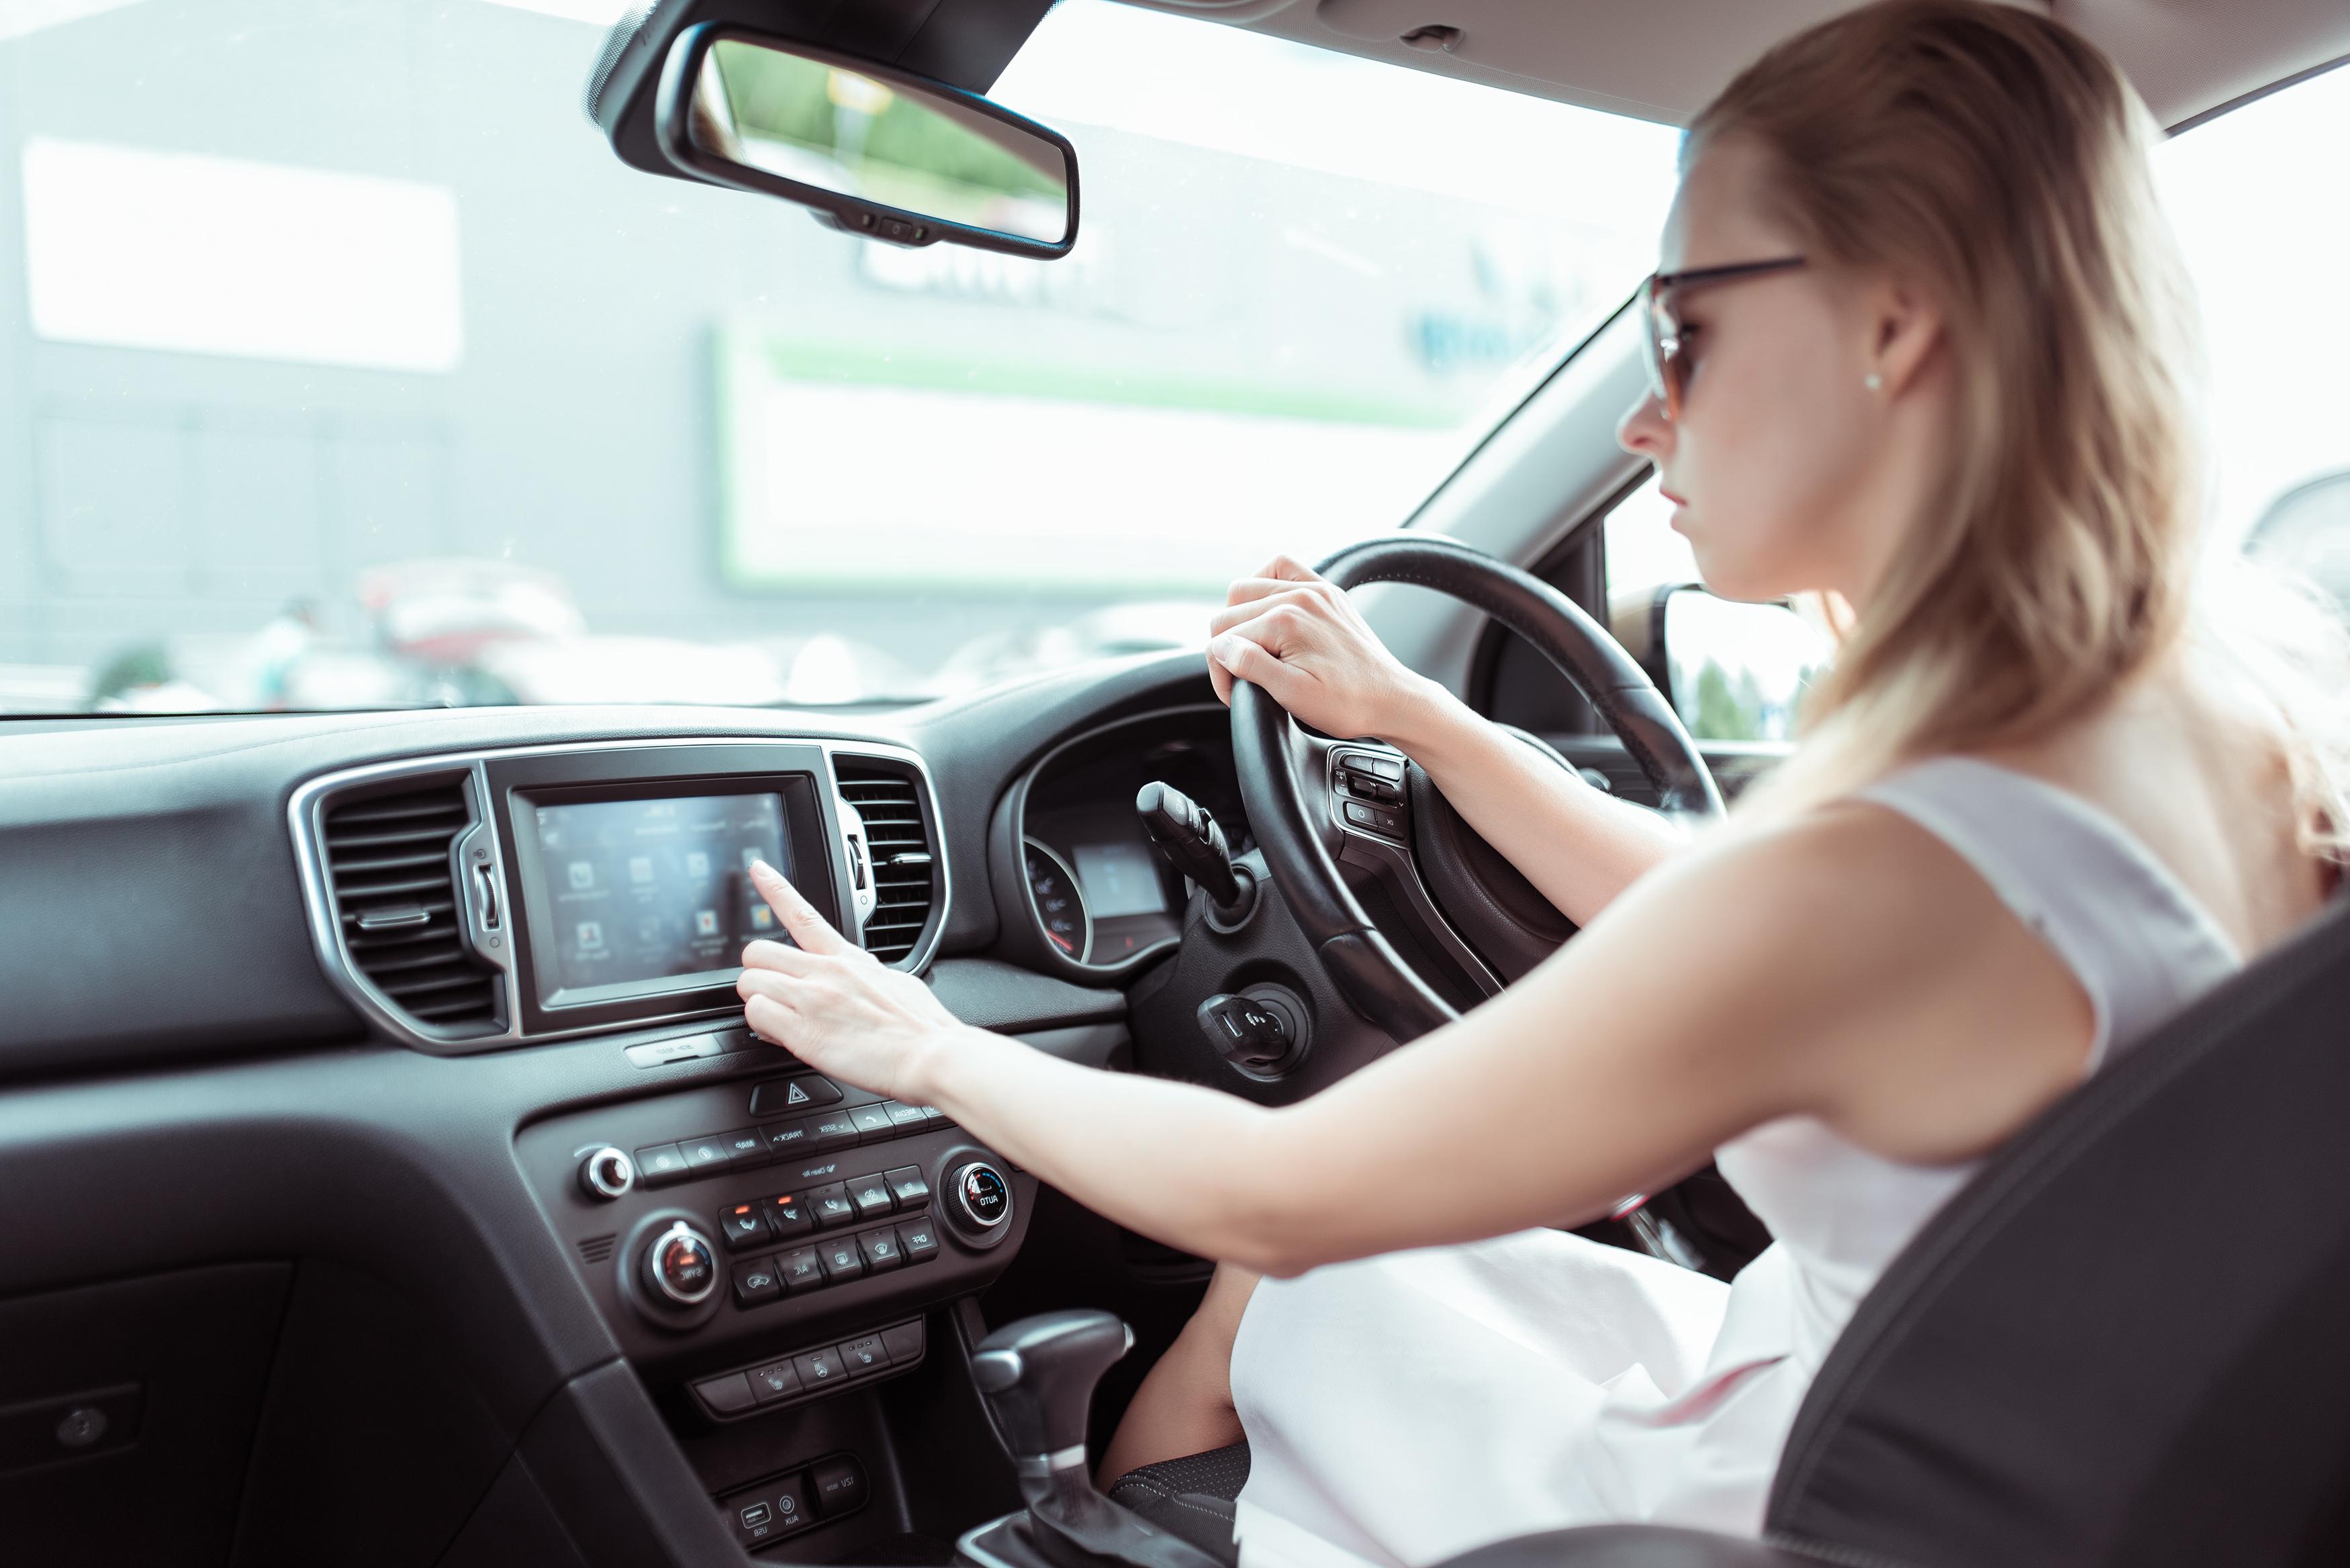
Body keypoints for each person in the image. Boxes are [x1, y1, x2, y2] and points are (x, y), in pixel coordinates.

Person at [731, 2, 2349, 1562]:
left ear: (1895, 318)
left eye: (1685, 330)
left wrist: (924, 1045)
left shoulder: (1886, 869)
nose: (1650, 418)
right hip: (1971, 1436)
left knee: (1283, 1273)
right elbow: (1733, 931)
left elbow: (1279, 1189)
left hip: (1800, 1503)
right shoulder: (2216, 709)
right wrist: (1426, 723)